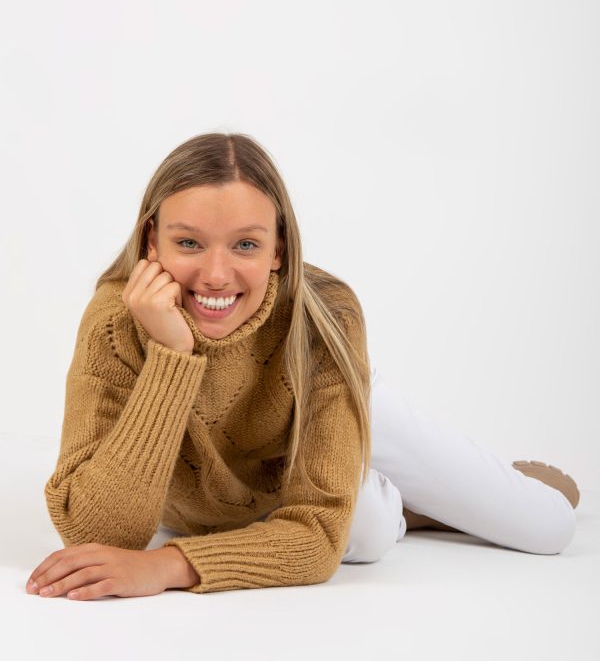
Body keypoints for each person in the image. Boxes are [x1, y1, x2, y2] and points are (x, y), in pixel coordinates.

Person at [26, 132, 579, 601]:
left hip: (322, 396)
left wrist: (169, 566)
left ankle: (409, 480)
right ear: (152, 240)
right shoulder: (114, 320)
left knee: (547, 526)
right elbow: (97, 532)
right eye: (189, 242)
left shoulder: (326, 313)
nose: (216, 275)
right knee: (370, 529)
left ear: (280, 250)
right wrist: (172, 358)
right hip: (212, 491)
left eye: (245, 244)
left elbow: (314, 535)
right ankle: (391, 497)